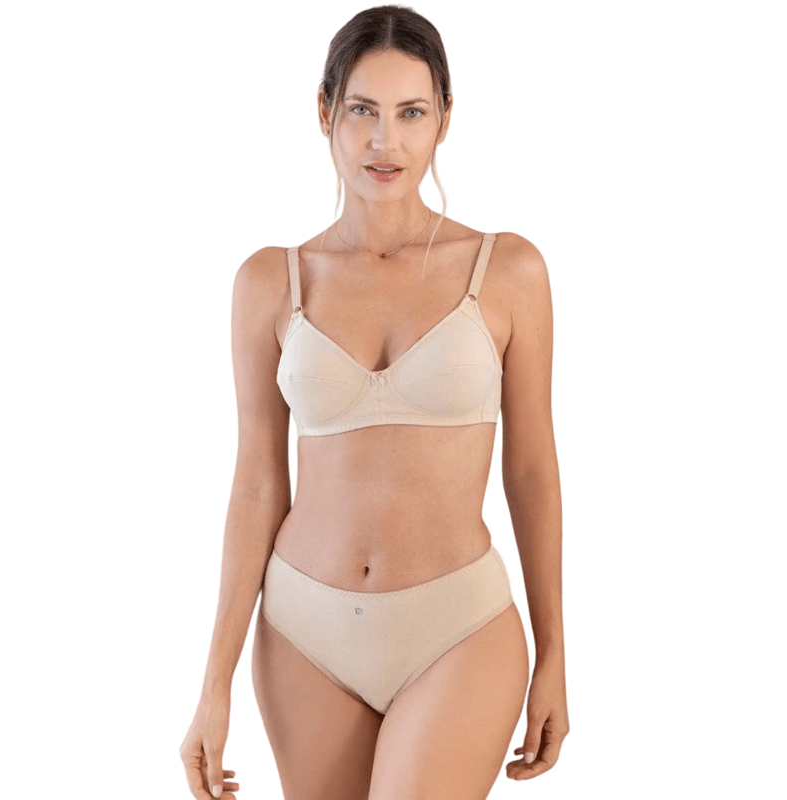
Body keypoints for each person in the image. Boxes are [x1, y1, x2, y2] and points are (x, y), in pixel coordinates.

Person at [180, 5, 568, 798]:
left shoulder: (507, 271)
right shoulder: (270, 282)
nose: (384, 141)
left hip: (458, 627)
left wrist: (556, 651)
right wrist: (213, 682)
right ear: (324, 111)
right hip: (303, 635)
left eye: (410, 113)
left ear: (445, 118)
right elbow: (257, 483)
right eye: (362, 110)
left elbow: (531, 470)